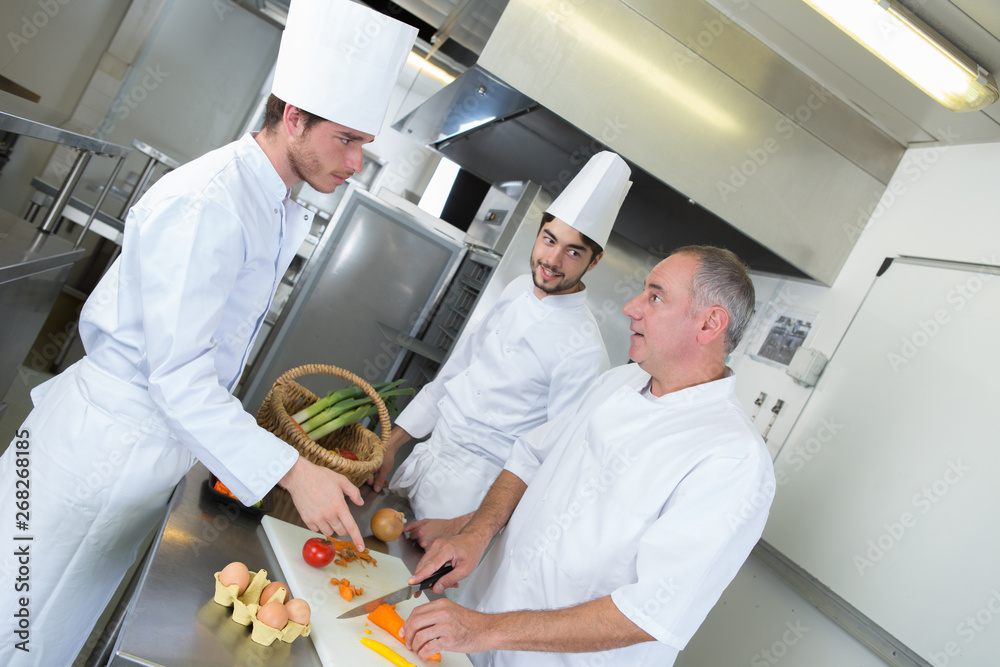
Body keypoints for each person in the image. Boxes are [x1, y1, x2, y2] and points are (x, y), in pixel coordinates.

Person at [0, 1, 416, 664]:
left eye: (363, 143)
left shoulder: (271, 202)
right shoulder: (211, 201)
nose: (357, 161)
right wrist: (292, 470)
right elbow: (178, 378)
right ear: (294, 117)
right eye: (347, 139)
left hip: (142, 452)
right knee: (20, 626)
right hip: (100, 448)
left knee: (52, 629)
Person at [401, 246, 776, 666]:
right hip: (480, 637)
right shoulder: (618, 382)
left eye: (655, 297)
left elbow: (649, 610)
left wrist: (486, 630)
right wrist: (475, 534)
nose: (631, 307)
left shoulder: (732, 458)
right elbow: (530, 457)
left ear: (709, 323)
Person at [370, 152, 632, 531]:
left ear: (594, 261)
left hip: (474, 496)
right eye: (549, 240)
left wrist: (467, 528)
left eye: (573, 252)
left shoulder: (585, 351)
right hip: (427, 456)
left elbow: (552, 462)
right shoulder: (516, 289)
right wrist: (392, 444)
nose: (552, 259)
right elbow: (455, 373)